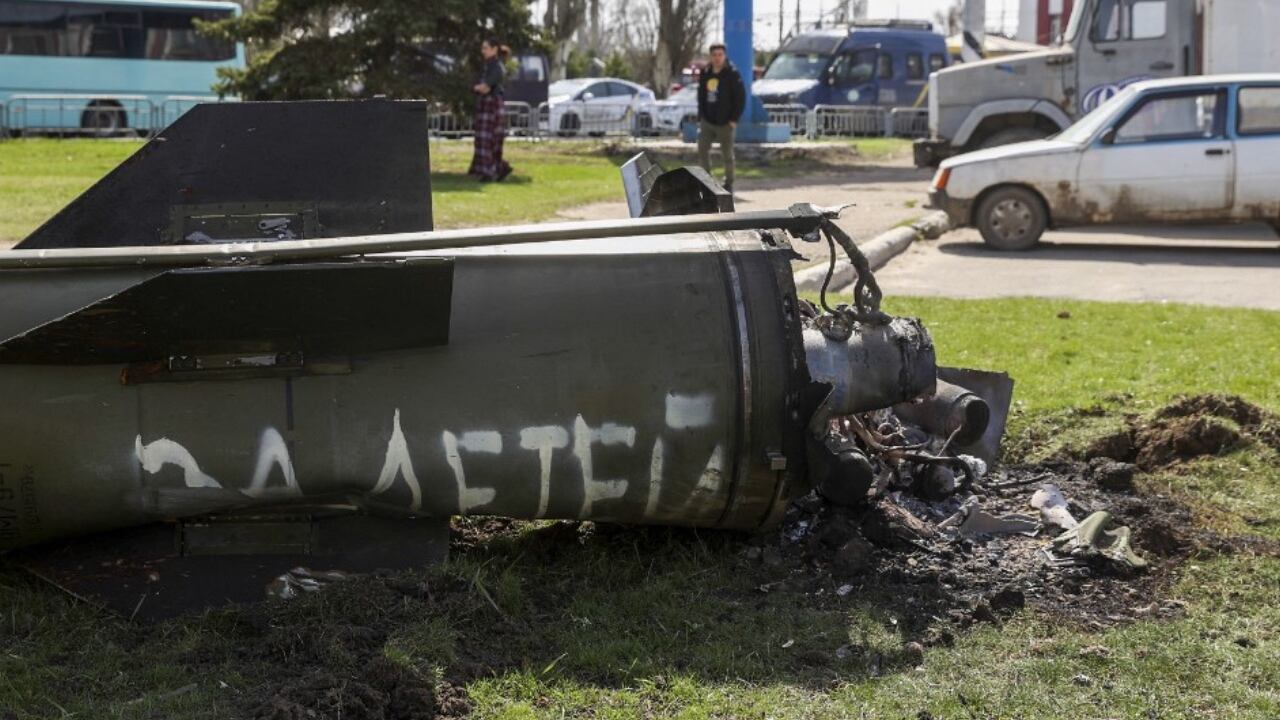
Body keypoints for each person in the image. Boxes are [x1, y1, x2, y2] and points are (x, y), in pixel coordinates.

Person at [696, 43, 745, 192]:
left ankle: (728, 183)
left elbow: (740, 98)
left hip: (726, 122)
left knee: (727, 154)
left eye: (720, 55)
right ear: (710, 57)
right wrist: (701, 116)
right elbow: (701, 95)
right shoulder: (705, 72)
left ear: (724, 56)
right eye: (714, 55)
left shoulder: (732, 73)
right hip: (707, 121)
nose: (717, 58)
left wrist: (734, 119)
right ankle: (707, 181)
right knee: (702, 148)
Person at [469, 38, 513, 182]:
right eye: (482, 48)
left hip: (492, 105)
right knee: (482, 139)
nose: (483, 51)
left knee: (490, 140)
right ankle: (496, 169)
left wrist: (477, 87)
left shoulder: (497, 67)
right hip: (485, 104)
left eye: (486, 48)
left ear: (494, 49)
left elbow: (485, 87)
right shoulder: (487, 66)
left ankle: (491, 171)